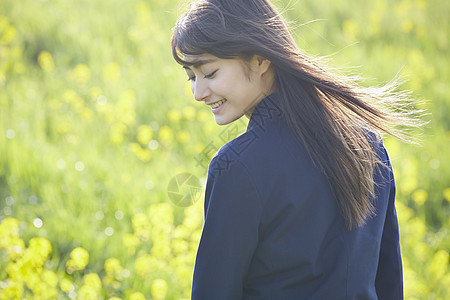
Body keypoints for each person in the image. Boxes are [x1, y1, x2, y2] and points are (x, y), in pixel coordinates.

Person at [170, 0, 422, 299]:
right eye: (191, 77)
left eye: (209, 73)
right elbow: (389, 281)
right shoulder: (367, 142)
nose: (198, 93)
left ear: (261, 59)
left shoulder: (238, 167)